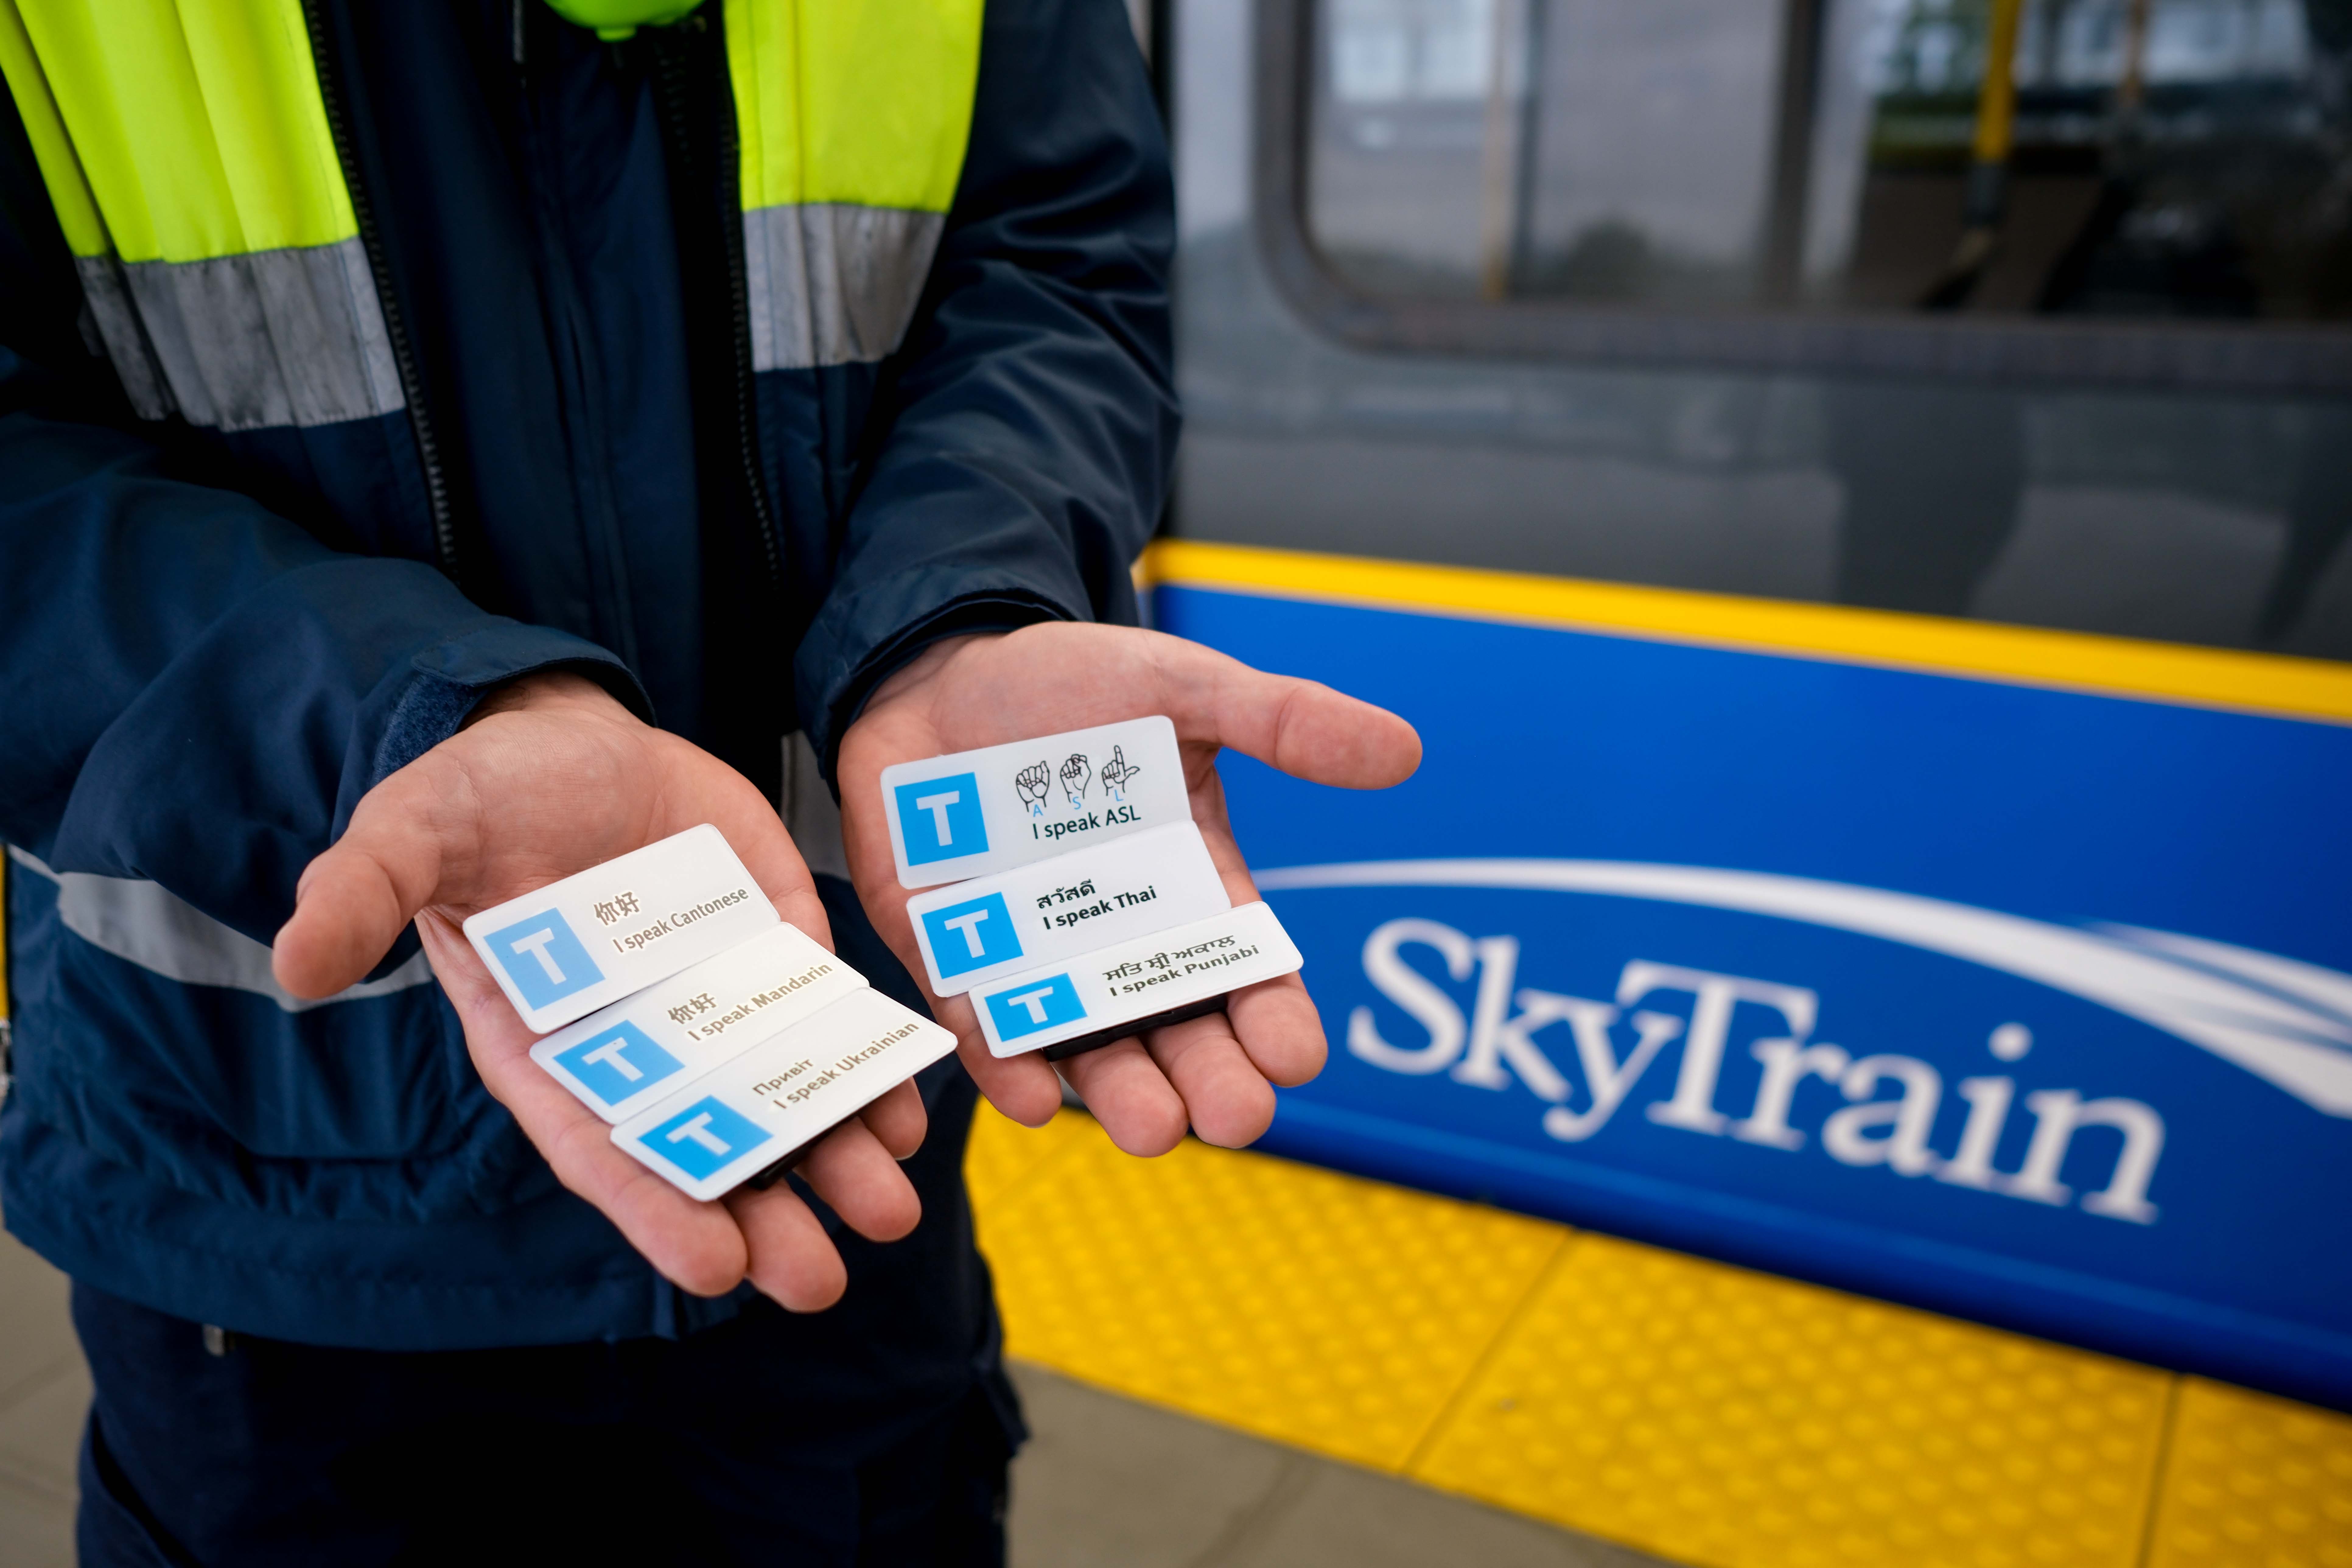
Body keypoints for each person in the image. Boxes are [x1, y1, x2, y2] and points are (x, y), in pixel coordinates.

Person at [0, 0, 1419, 1562]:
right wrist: (400, 708)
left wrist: (962, 603)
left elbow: (1055, 263)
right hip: (259, 1208)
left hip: (845, 1120)